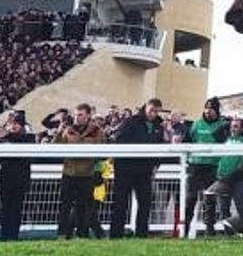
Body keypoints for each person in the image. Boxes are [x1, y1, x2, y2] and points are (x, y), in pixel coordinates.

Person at [109, 99, 164, 239]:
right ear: (146, 107)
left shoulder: (159, 126)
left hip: (145, 171)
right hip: (125, 168)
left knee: (145, 204)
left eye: (157, 111)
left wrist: (156, 165)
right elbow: (120, 140)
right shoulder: (131, 122)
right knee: (121, 203)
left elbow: (159, 147)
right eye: (152, 110)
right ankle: (116, 235)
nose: (154, 114)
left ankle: (141, 235)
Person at [55, 103, 105, 239]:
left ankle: (82, 234)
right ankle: (62, 234)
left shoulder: (97, 131)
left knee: (84, 207)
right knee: (65, 206)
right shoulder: (67, 130)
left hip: (87, 174)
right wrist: (59, 133)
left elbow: (103, 152)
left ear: (88, 115)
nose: (77, 118)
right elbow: (56, 148)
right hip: (69, 173)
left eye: (80, 115)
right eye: (76, 115)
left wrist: (98, 171)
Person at [183, 98, 229, 237]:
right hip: (195, 166)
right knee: (190, 200)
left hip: (213, 167)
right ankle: (184, 231)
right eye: (206, 108)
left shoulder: (222, 125)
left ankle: (209, 231)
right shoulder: (196, 124)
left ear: (217, 111)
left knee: (210, 200)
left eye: (211, 109)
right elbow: (187, 141)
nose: (208, 111)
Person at [0, 113, 33, 241]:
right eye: (12, 123)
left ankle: (13, 236)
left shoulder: (28, 139)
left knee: (16, 209)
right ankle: (4, 236)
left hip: (20, 179)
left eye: (16, 123)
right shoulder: (3, 139)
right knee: (5, 209)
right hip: (6, 178)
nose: (14, 126)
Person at [216, 118, 243, 227]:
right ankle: (227, 233)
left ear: (242, 128)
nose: (233, 128)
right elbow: (215, 133)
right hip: (223, 176)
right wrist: (228, 122)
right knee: (224, 208)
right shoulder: (227, 138)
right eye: (232, 126)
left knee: (241, 208)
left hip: (237, 178)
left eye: (236, 126)